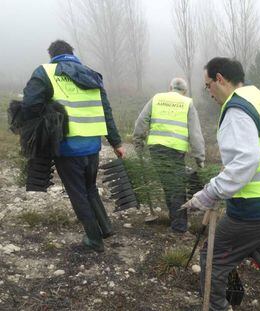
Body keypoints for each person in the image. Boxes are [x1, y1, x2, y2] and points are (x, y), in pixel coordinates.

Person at [182, 57, 260, 310]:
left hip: (256, 210)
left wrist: (210, 193)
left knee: (213, 258)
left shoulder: (236, 109)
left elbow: (246, 161)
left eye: (208, 85)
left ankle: (219, 307)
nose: (209, 93)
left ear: (220, 79)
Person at [22, 40, 125, 253]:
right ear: (72, 53)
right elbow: (106, 111)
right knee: (89, 188)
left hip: (67, 148)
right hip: (92, 146)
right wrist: (116, 143)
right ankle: (105, 227)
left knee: (78, 193)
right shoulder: (91, 74)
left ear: (51, 55)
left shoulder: (45, 72)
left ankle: (94, 239)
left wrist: (47, 115)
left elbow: (30, 105)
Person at [133, 78, 205, 234]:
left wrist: (138, 144)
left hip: (156, 150)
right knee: (176, 187)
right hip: (175, 152)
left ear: (169, 87)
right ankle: (179, 227)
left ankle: (176, 221)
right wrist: (200, 160)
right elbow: (195, 134)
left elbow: (141, 122)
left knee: (169, 185)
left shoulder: (157, 98)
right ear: (185, 91)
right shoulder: (187, 103)